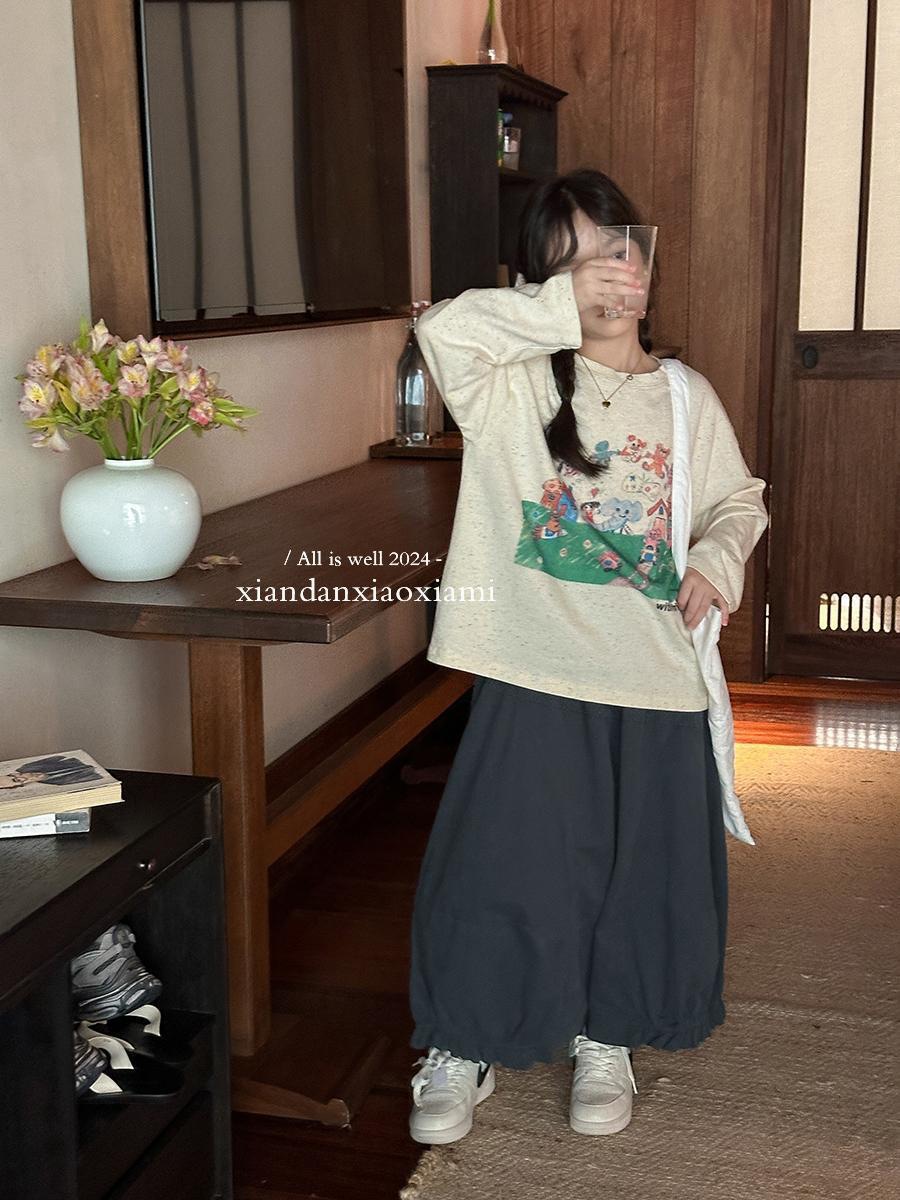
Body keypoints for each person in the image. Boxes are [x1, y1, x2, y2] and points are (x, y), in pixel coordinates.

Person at [405, 168, 769, 1146]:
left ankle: (607, 1034)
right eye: (574, 259)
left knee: (638, 871)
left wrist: (716, 560)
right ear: (542, 278)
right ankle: (463, 1039)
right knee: (502, 862)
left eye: (617, 250)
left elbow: (739, 500)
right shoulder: (512, 383)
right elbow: (444, 332)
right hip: (531, 666)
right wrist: (556, 310)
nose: (607, 274)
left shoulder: (685, 397)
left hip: (653, 674)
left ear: (646, 264)